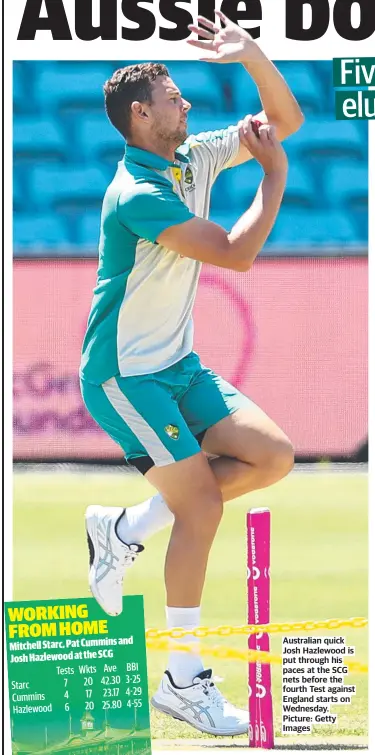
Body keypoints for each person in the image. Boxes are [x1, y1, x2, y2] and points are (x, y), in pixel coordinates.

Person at [80, 12, 304, 736]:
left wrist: (251, 54)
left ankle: (126, 527)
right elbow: (235, 253)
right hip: (125, 375)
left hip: (175, 362)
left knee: (271, 455)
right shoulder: (138, 194)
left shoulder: (194, 155)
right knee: (203, 505)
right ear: (140, 114)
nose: (187, 105)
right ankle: (182, 680)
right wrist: (272, 178)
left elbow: (284, 117)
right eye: (173, 98)